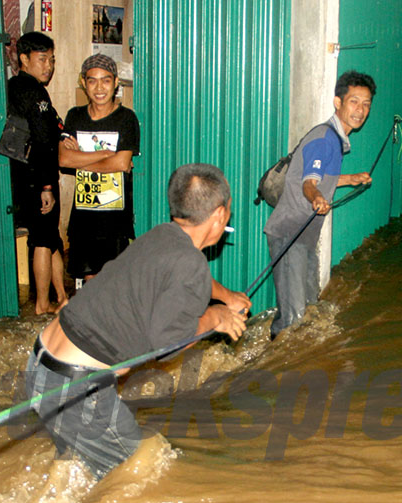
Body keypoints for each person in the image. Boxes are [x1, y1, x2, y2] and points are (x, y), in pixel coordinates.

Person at [25, 163, 250, 477]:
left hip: (41, 365)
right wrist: (215, 317)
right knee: (148, 470)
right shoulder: (190, 263)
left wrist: (226, 296)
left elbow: (185, 277)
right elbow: (168, 343)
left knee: (80, 473)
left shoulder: (162, 236)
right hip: (75, 387)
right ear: (220, 215)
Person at [262, 70, 375, 338]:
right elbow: (309, 183)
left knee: (310, 309)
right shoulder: (325, 138)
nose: (360, 110)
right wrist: (317, 198)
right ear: (338, 103)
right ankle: (272, 369)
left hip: (304, 237)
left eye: (366, 104)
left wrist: (351, 179)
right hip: (290, 234)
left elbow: (324, 177)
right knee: (293, 319)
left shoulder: (335, 140)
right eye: (354, 101)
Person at [59, 54, 141, 282]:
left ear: (116, 83)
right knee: (90, 281)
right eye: (92, 80)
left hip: (115, 217)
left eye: (106, 80)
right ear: (83, 83)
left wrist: (82, 159)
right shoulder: (75, 116)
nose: (99, 87)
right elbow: (64, 159)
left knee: (114, 281)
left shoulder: (126, 118)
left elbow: (121, 163)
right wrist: (104, 155)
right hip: (83, 216)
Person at [7, 31, 68, 315]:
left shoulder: (14, 87)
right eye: (42, 59)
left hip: (25, 175)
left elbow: (51, 125)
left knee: (52, 237)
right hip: (37, 177)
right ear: (23, 59)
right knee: (43, 239)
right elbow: (44, 141)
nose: (48, 66)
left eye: (51, 60)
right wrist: (46, 186)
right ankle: (42, 305)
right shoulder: (33, 91)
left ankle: (62, 297)